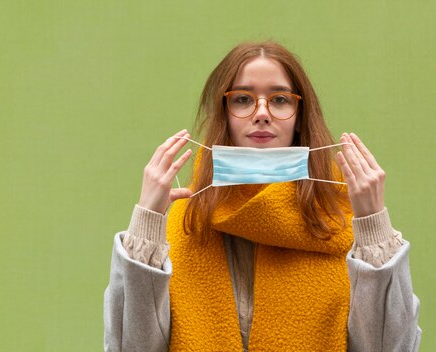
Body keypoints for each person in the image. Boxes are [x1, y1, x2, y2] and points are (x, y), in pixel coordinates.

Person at [103, 41, 421, 351]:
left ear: (300, 114)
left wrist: (374, 223)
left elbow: (393, 347)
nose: (262, 113)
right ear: (223, 113)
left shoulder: (340, 222)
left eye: (280, 99)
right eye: (242, 99)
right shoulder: (186, 222)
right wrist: (146, 219)